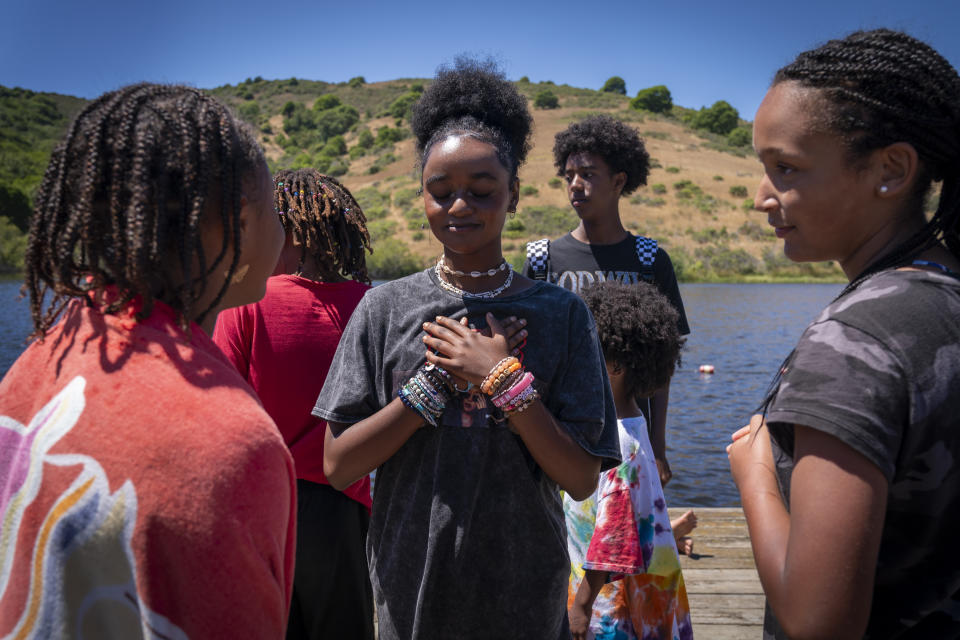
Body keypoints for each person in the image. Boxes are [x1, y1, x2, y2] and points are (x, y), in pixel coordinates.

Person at [313, 58, 621, 640]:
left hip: (524, 592)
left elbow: (582, 478)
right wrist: (433, 385)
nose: (460, 207)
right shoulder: (385, 309)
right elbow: (339, 465)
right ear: (422, 196)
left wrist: (502, 378)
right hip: (411, 590)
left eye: (481, 191)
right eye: (441, 191)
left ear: (514, 195)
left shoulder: (561, 314)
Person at [0, 84, 294, 637]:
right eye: (275, 209)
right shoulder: (228, 442)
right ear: (235, 224)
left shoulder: (47, 352)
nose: (284, 233)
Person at [727, 29, 960, 639]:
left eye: (786, 168)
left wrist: (753, 469)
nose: (761, 198)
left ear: (891, 171)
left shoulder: (857, 339)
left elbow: (817, 623)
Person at [213, 169, 374, 640]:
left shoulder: (244, 305)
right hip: (347, 507)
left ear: (289, 231)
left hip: (265, 502)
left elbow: (223, 414)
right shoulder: (372, 306)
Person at [523, 115, 689, 488]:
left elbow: (662, 371)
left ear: (619, 181)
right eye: (568, 176)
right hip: (559, 437)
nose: (575, 186)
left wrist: (658, 447)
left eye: (588, 174)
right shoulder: (542, 261)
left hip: (628, 437)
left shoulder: (649, 261)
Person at [566, 281, 693, 640]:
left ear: (615, 366)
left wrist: (581, 607)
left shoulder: (620, 443)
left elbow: (614, 538)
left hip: (613, 609)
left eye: (584, 350)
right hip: (616, 592)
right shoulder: (633, 424)